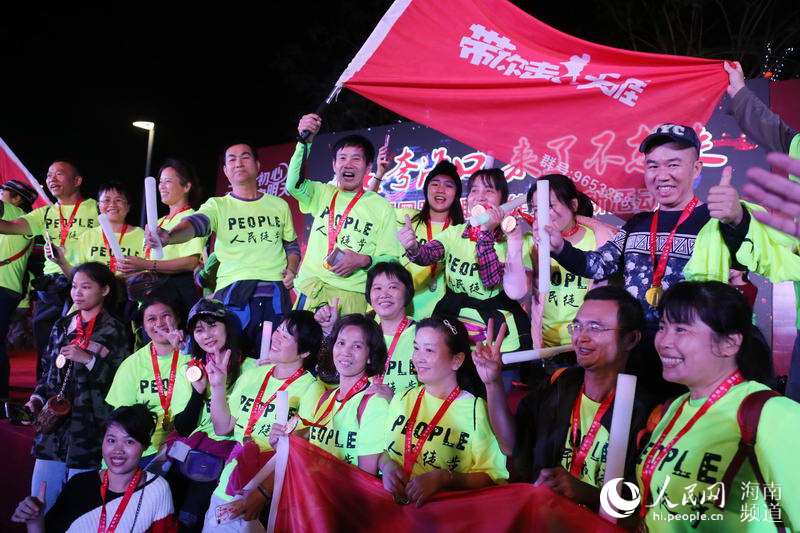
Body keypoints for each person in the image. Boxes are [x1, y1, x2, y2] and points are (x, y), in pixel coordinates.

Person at [636, 281, 799, 531]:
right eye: (662, 327)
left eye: (681, 329)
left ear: (729, 343)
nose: (664, 341)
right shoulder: (674, 407)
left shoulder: (775, 416)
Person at [473, 288, 655, 510]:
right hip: (545, 516)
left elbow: (646, 509)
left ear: (631, 339)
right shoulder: (561, 385)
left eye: (595, 328)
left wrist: (587, 493)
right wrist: (492, 382)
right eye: (577, 326)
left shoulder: (648, 412)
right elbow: (511, 446)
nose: (581, 337)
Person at [146, 143, 300, 355]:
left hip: (275, 295)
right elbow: (196, 224)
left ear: (257, 165)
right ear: (226, 171)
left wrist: (291, 269)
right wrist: (170, 236)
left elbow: (291, 245)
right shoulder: (217, 205)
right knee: (232, 359)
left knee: (272, 361)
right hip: (234, 295)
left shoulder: (279, 205)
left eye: (245, 157)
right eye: (232, 159)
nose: (239, 163)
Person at [202, 310, 325, 532]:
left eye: (287, 336)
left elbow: (303, 450)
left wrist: (264, 493)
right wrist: (218, 386)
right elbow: (223, 427)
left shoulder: (311, 388)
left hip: (270, 488)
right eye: (278, 330)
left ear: (305, 352)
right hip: (230, 480)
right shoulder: (253, 375)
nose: (276, 338)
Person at [24, 262, 130, 511]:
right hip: (53, 430)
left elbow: (120, 382)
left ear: (105, 290)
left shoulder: (115, 329)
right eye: (74, 287)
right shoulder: (62, 325)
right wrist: (36, 399)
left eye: (86, 287)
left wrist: (89, 360)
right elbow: (47, 371)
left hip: (89, 431)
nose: (77, 293)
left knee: (80, 511)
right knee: (40, 504)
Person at [399, 168, 533, 352]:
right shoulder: (455, 233)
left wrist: (486, 232)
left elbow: (490, 279)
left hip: (496, 332)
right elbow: (427, 255)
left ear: (504, 201)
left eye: (489, 191)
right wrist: (413, 247)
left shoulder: (512, 240)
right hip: (454, 321)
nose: (480, 197)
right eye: (474, 190)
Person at [379, 316, 507, 507]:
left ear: (456, 360)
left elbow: (492, 476)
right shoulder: (402, 398)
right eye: (416, 348)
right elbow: (382, 450)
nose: (418, 358)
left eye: (429, 350)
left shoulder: (475, 409)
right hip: (394, 510)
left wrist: (445, 478)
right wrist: (386, 466)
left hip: (445, 514)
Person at [286, 114, 402, 315]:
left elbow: (391, 260)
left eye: (356, 158)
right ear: (334, 165)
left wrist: (363, 260)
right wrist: (305, 142)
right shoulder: (322, 193)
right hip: (313, 289)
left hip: (352, 296)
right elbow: (293, 184)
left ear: (368, 167)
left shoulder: (381, 206)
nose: (348, 164)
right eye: (342, 158)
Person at [0, 160, 98, 379]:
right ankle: (43, 392)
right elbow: (9, 226)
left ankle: (77, 391)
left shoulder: (97, 208)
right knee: (45, 342)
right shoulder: (43, 213)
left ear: (77, 180)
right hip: (52, 286)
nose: (51, 178)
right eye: (49, 175)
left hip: (85, 283)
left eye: (59, 174)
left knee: (80, 342)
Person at [12, 403, 178, 532]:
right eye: (111, 440)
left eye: (129, 442)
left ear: (145, 446)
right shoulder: (79, 484)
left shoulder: (156, 489)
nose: (118, 450)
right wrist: (35, 521)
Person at [278, 313, 389, 475]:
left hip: (344, 490)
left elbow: (366, 477)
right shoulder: (325, 398)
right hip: (315, 485)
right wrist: (282, 441)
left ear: (370, 356)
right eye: (341, 343)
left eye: (357, 346)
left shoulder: (374, 401)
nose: (345, 352)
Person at [526, 174, 617, 350]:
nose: (542, 215)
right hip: (548, 347)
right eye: (536, 209)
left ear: (573, 205)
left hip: (590, 344)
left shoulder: (602, 240)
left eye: (549, 206)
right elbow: (517, 290)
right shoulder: (531, 242)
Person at [372, 159, 466, 320]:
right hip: (396, 311)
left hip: (439, 317)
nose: (440, 190)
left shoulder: (460, 232)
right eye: (435, 184)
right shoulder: (406, 217)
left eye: (448, 185)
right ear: (426, 189)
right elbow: (369, 208)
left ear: (456, 194)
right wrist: (379, 174)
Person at [106, 296, 194, 464]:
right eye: (151, 319)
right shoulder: (132, 364)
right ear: (143, 326)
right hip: (147, 448)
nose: (159, 323)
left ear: (177, 318)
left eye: (165, 316)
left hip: (190, 441)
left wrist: (187, 349)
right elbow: (123, 419)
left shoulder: (194, 352)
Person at [118, 159, 206, 319]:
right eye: (160, 182)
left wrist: (146, 264)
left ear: (186, 186)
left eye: (168, 181)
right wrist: (133, 267)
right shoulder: (158, 222)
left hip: (176, 298)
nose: (161, 186)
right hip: (151, 297)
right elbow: (149, 263)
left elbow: (190, 263)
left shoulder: (190, 219)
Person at [51, 181, 144, 277]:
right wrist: (61, 261)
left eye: (118, 200)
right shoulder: (87, 236)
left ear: (128, 206)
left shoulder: (142, 236)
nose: (112, 204)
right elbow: (77, 276)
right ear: (99, 205)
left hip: (129, 286)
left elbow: (148, 272)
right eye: (106, 200)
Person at [0, 179, 38, 397]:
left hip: (3, 288)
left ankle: (2, 397)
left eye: (2, 192)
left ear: (16, 199)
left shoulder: (18, 215)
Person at [366, 261, 419, 393]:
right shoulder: (364, 335)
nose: (384, 294)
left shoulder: (421, 335)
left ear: (407, 292)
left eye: (392, 287)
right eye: (377, 288)